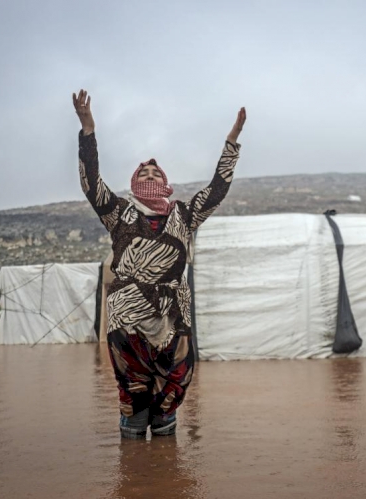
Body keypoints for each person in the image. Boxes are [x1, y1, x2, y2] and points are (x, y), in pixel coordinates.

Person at [72, 89, 246, 438]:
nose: (150, 174)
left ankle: (163, 462)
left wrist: (232, 142)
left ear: (164, 181)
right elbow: (91, 184)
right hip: (128, 312)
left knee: (176, 380)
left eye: (156, 171)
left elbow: (216, 190)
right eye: (144, 172)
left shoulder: (184, 214)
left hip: (172, 310)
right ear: (135, 183)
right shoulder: (119, 212)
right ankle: (134, 452)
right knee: (135, 391)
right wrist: (88, 130)